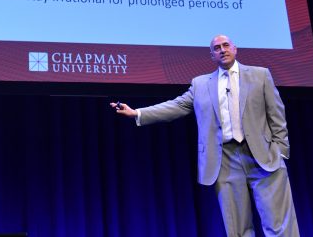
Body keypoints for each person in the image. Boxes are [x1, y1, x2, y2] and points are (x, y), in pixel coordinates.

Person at [111, 34, 299, 236]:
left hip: (263, 155)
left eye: (226, 45)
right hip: (225, 160)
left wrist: (280, 150)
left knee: (279, 224)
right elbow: (177, 105)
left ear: (235, 49)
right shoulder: (201, 84)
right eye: (217, 48)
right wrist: (137, 113)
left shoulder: (260, 75)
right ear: (212, 55)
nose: (222, 50)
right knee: (237, 228)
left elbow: (277, 114)